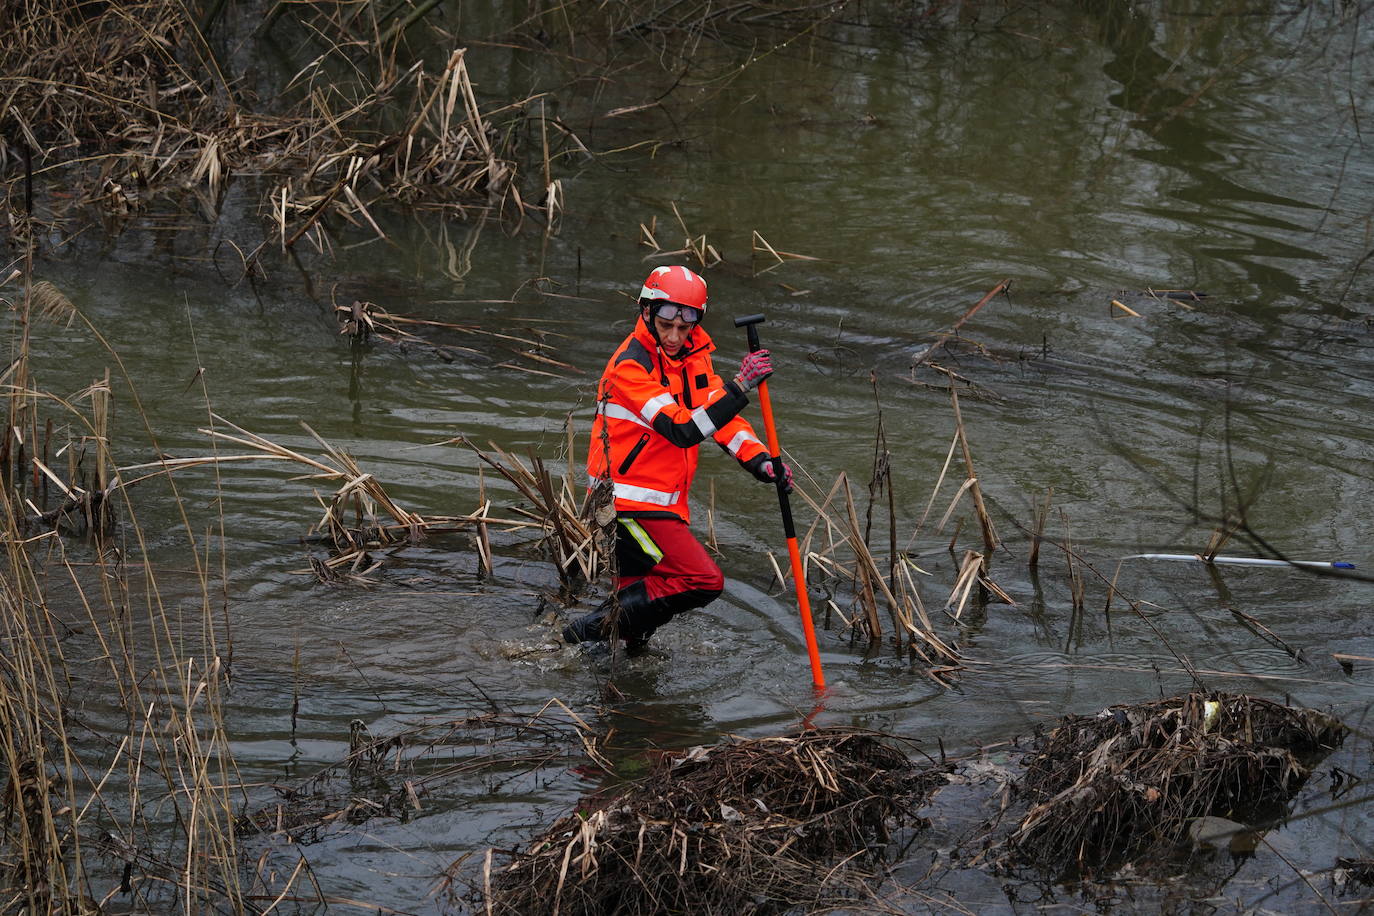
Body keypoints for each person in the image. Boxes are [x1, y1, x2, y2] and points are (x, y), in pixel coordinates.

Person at [564, 265, 792, 652]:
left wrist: (759, 462)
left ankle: (619, 686)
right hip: (626, 504)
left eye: (683, 327)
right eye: (665, 324)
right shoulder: (630, 367)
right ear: (647, 313)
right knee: (702, 581)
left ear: (695, 324)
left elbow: (720, 418)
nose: (673, 336)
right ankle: (581, 633)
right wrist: (741, 385)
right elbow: (683, 429)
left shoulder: (694, 357)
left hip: (662, 501)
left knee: (637, 628)